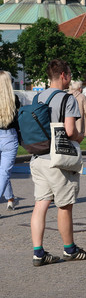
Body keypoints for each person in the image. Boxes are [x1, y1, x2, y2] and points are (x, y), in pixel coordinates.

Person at [30, 59, 86, 266]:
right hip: (58, 159)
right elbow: (69, 131)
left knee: (41, 204)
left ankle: (38, 252)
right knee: (64, 205)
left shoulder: (37, 97)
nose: (71, 78)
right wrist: (80, 136)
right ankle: (69, 249)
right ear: (63, 75)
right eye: (70, 73)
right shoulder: (68, 99)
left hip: (38, 157)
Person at [0, 71, 20, 211]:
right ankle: (10, 198)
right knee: (4, 172)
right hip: (9, 136)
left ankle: (10, 198)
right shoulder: (15, 99)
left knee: (2, 172)